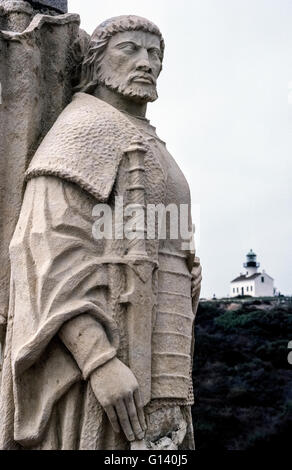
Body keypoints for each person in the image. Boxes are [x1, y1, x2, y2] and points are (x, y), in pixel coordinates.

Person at [0, 15, 202, 450]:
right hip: (104, 365)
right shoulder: (84, 130)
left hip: (164, 365)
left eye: (155, 53)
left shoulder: (148, 142)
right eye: (129, 49)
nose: (146, 62)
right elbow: (47, 247)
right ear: (96, 62)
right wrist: (99, 360)